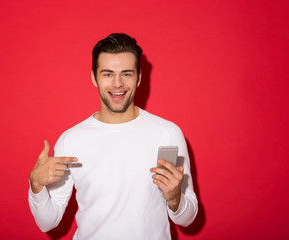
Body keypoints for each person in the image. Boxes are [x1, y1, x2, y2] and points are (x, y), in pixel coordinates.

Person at [28, 33, 198, 240]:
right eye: (108, 74)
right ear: (94, 77)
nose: (117, 84)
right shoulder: (71, 140)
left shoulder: (167, 133)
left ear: (139, 77)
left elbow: (187, 219)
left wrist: (174, 198)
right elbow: (48, 221)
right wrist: (35, 185)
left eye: (126, 74)